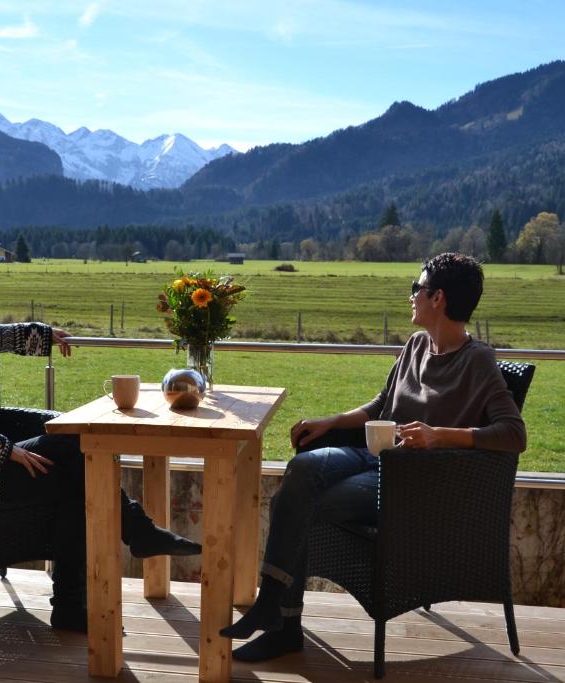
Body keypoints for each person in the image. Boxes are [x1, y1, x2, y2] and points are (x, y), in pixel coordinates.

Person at [0, 237, 200, 633]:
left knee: (75, 473)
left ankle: (78, 600)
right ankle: (133, 536)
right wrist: (2, 450)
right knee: (76, 449)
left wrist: (41, 336)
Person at [221, 252, 527, 662]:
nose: (411, 296)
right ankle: (274, 609)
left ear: (438, 299)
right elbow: (383, 404)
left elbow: (513, 434)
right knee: (303, 468)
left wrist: (439, 436)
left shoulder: (479, 361)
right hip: (373, 457)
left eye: (416, 288)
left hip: (412, 482)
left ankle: (280, 618)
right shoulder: (416, 345)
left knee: (296, 504)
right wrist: (332, 421)